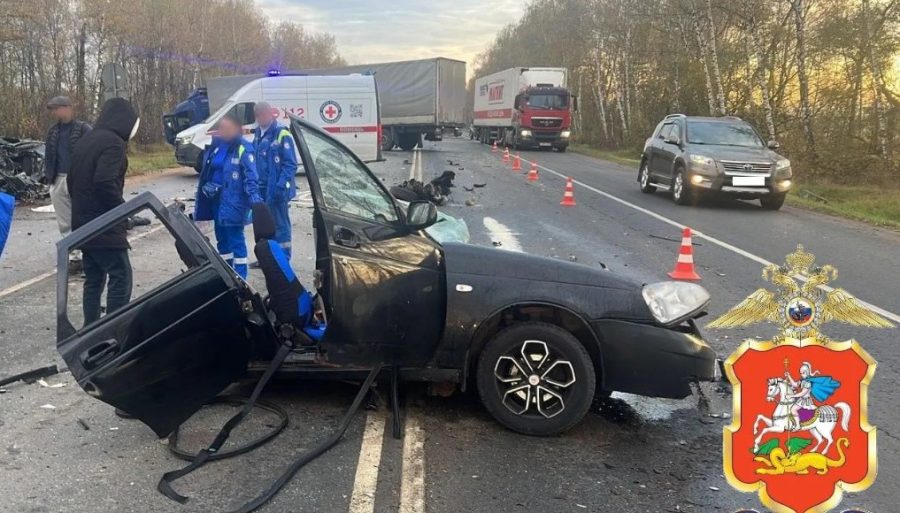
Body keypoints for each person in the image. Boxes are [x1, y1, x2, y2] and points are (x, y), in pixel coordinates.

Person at [69, 97, 140, 324]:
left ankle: (91, 328)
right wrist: (123, 212)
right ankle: (113, 331)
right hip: (104, 225)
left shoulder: (87, 140)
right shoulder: (113, 144)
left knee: (94, 279)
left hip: (83, 224)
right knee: (121, 275)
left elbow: (71, 180)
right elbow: (104, 182)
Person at [195, 114, 263, 279]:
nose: (223, 131)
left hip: (234, 202)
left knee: (235, 239)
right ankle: (227, 273)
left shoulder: (243, 148)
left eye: (227, 128)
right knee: (222, 240)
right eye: (221, 128)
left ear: (237, 129)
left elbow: (251, 177)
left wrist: (256, 202)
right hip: (215, 201)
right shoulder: (216, 146)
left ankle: (241, 277)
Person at [44, 96, 91, 271]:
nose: (55, 113)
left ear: (67, 108)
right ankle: (74, 257)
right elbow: (49, 154)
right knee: (65, 221)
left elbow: (92, 152)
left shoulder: (84, 129)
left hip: (78, 179)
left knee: (82, 218)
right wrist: (49, 177)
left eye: (56, 109)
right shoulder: (53, 131)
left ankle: (88, 256)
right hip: (57, 178)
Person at [252, 102, 297, 259]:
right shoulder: (258, 134)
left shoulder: (281, 133)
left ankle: (283, 259)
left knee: (280, 225)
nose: (262, 118)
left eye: (264, 114)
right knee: (263, 226)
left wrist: (281, 186)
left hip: (277, 189)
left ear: (271, 114)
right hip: (261, 189)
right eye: (259, 115)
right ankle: (268, 257)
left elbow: (290, 164)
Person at [785, 362, 840, 429]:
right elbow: (794, 384)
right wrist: (789, 376)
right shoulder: (803, 380)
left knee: (793, 409)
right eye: (801, 373)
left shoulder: (808, 382)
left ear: (807, 373)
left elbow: (803, 393)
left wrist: (791, 396)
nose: (802, 375)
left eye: (803, 373)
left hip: (805, 401)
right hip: (801, 400)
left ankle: (797, 425)